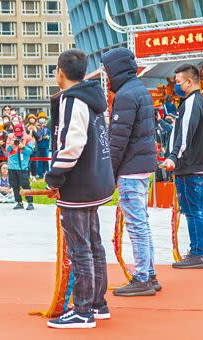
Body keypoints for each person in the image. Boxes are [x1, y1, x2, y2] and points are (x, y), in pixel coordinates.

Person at [45, 49, 115, 329]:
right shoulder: (93, 98)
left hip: (79, 183)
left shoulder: (72, 100)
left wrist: (54, 177)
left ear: (60, 72)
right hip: (96, 179)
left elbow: (72, 144)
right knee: (93, 243)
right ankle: (97, 303)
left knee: (80, 247)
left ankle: (83, 309)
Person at [102, 47, 161, 295]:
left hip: (130, 168)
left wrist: (109, 173)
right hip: (142, 166)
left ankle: (141, 278)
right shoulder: (139, 90)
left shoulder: (125, 95)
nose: (106, 77)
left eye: (107, 71)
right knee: (142, 223)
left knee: (136, 224)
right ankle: (149, 273)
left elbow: (117, 141)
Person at [162, 64, 203, 268]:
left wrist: (174, 157)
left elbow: (185, 135)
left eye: (178, 82)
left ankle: (197, 253)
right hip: (196, 165)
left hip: (190, 165)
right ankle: (201, 251)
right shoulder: (194, 102)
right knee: (198, 209)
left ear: (189, 82)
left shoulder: (192, 102)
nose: (176, 86)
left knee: (192, 209)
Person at [6, 117, 35, 210]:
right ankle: (19, 202)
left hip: (23, 166)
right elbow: (7, 150)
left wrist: (23, 147)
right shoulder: (10, 136)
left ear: (23, 130)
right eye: (16, 133)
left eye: (19, 133)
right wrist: (11, 144)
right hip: (12, 165)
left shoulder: (28, 138)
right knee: (14, 185)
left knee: (26, 184)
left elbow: (30, 152)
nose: (18, 136)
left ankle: (30, 203)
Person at [35, 112, 51, 179]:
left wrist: (48, 137)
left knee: (46, 160)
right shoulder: (37, 128)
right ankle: (40, 174)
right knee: (39, 161)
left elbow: (50, 136)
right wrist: (42, 137)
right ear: (38, 119)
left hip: (46, 147)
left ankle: (47, 173)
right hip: (38, 147)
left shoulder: (46, 129)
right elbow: (36, 136)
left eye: (43, 118)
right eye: (41, 118)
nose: (42, 120)